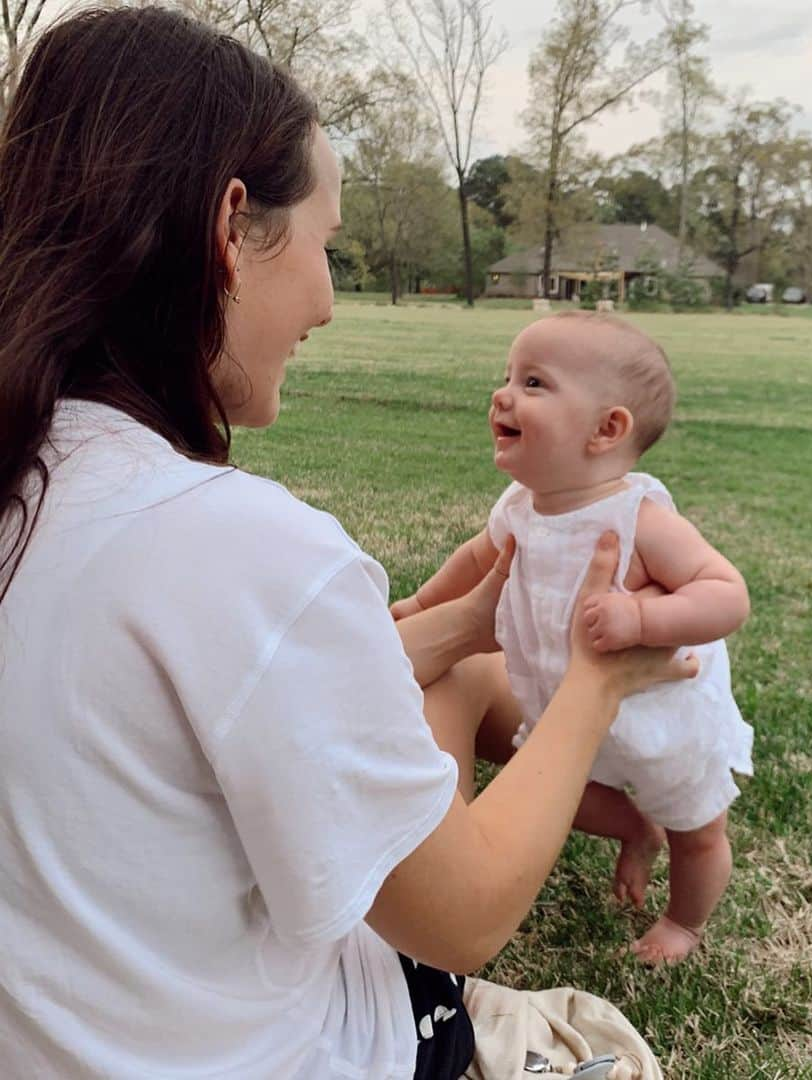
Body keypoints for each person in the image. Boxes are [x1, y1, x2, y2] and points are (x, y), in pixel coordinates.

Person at [0, 8, 697, 1078]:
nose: (326, 300)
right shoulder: (236, 544)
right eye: (325, 243)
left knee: (456, 667)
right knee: (458, 704)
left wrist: (442, 628)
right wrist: (599, 682)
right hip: (280, 1052)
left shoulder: (39, 483)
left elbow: (158, 705)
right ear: (229, 227)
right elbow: (461, 921)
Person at [392, 312, 754, 965]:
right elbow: (476, 561)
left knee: (697, 832)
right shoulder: (519, 507)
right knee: (567, 798)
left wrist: (644, 622)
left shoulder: (636, 517)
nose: (502, 394)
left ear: (607, 428)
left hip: (662, 722)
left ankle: (684, 922)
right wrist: (421, 604)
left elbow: (726, 593)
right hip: (563, 709)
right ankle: (633, 831)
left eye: (533, 382)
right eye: (506, 377)